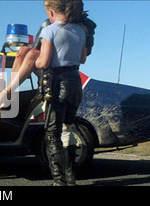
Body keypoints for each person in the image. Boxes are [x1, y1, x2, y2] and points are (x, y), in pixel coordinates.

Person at [34, 0, 87, 186]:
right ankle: (71, 177)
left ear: (50, 12)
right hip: (75, 83)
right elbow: (82, 58)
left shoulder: (49, 30)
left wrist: (34, 62)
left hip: (57, 84)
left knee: (52, 133)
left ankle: (58, 180)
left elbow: (44, 62)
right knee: (68, 128)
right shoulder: (80, 31)